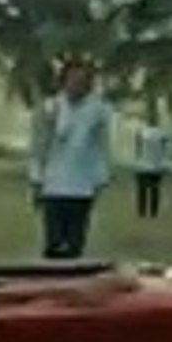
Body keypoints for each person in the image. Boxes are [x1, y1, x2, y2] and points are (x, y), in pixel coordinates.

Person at [27, 54, 115, 259]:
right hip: (54, 185)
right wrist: (36, 178)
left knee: (75, 246)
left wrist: (101, 178)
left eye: (83, 81)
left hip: (82, 187)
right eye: (73, 80)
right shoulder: (50, 107)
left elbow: (101, 146)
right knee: (53, 244)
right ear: (64, 81)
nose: (77, 85)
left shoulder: (98, 111)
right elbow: (38, 146)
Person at [132, 117, 172, 219]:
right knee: (155, 190)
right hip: (156, 165)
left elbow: (137, 150)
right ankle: (153, 212)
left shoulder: (141, 133)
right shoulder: (162, 134)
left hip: (142, 165)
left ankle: (142, 212)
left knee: (142, 190)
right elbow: (168, 149)